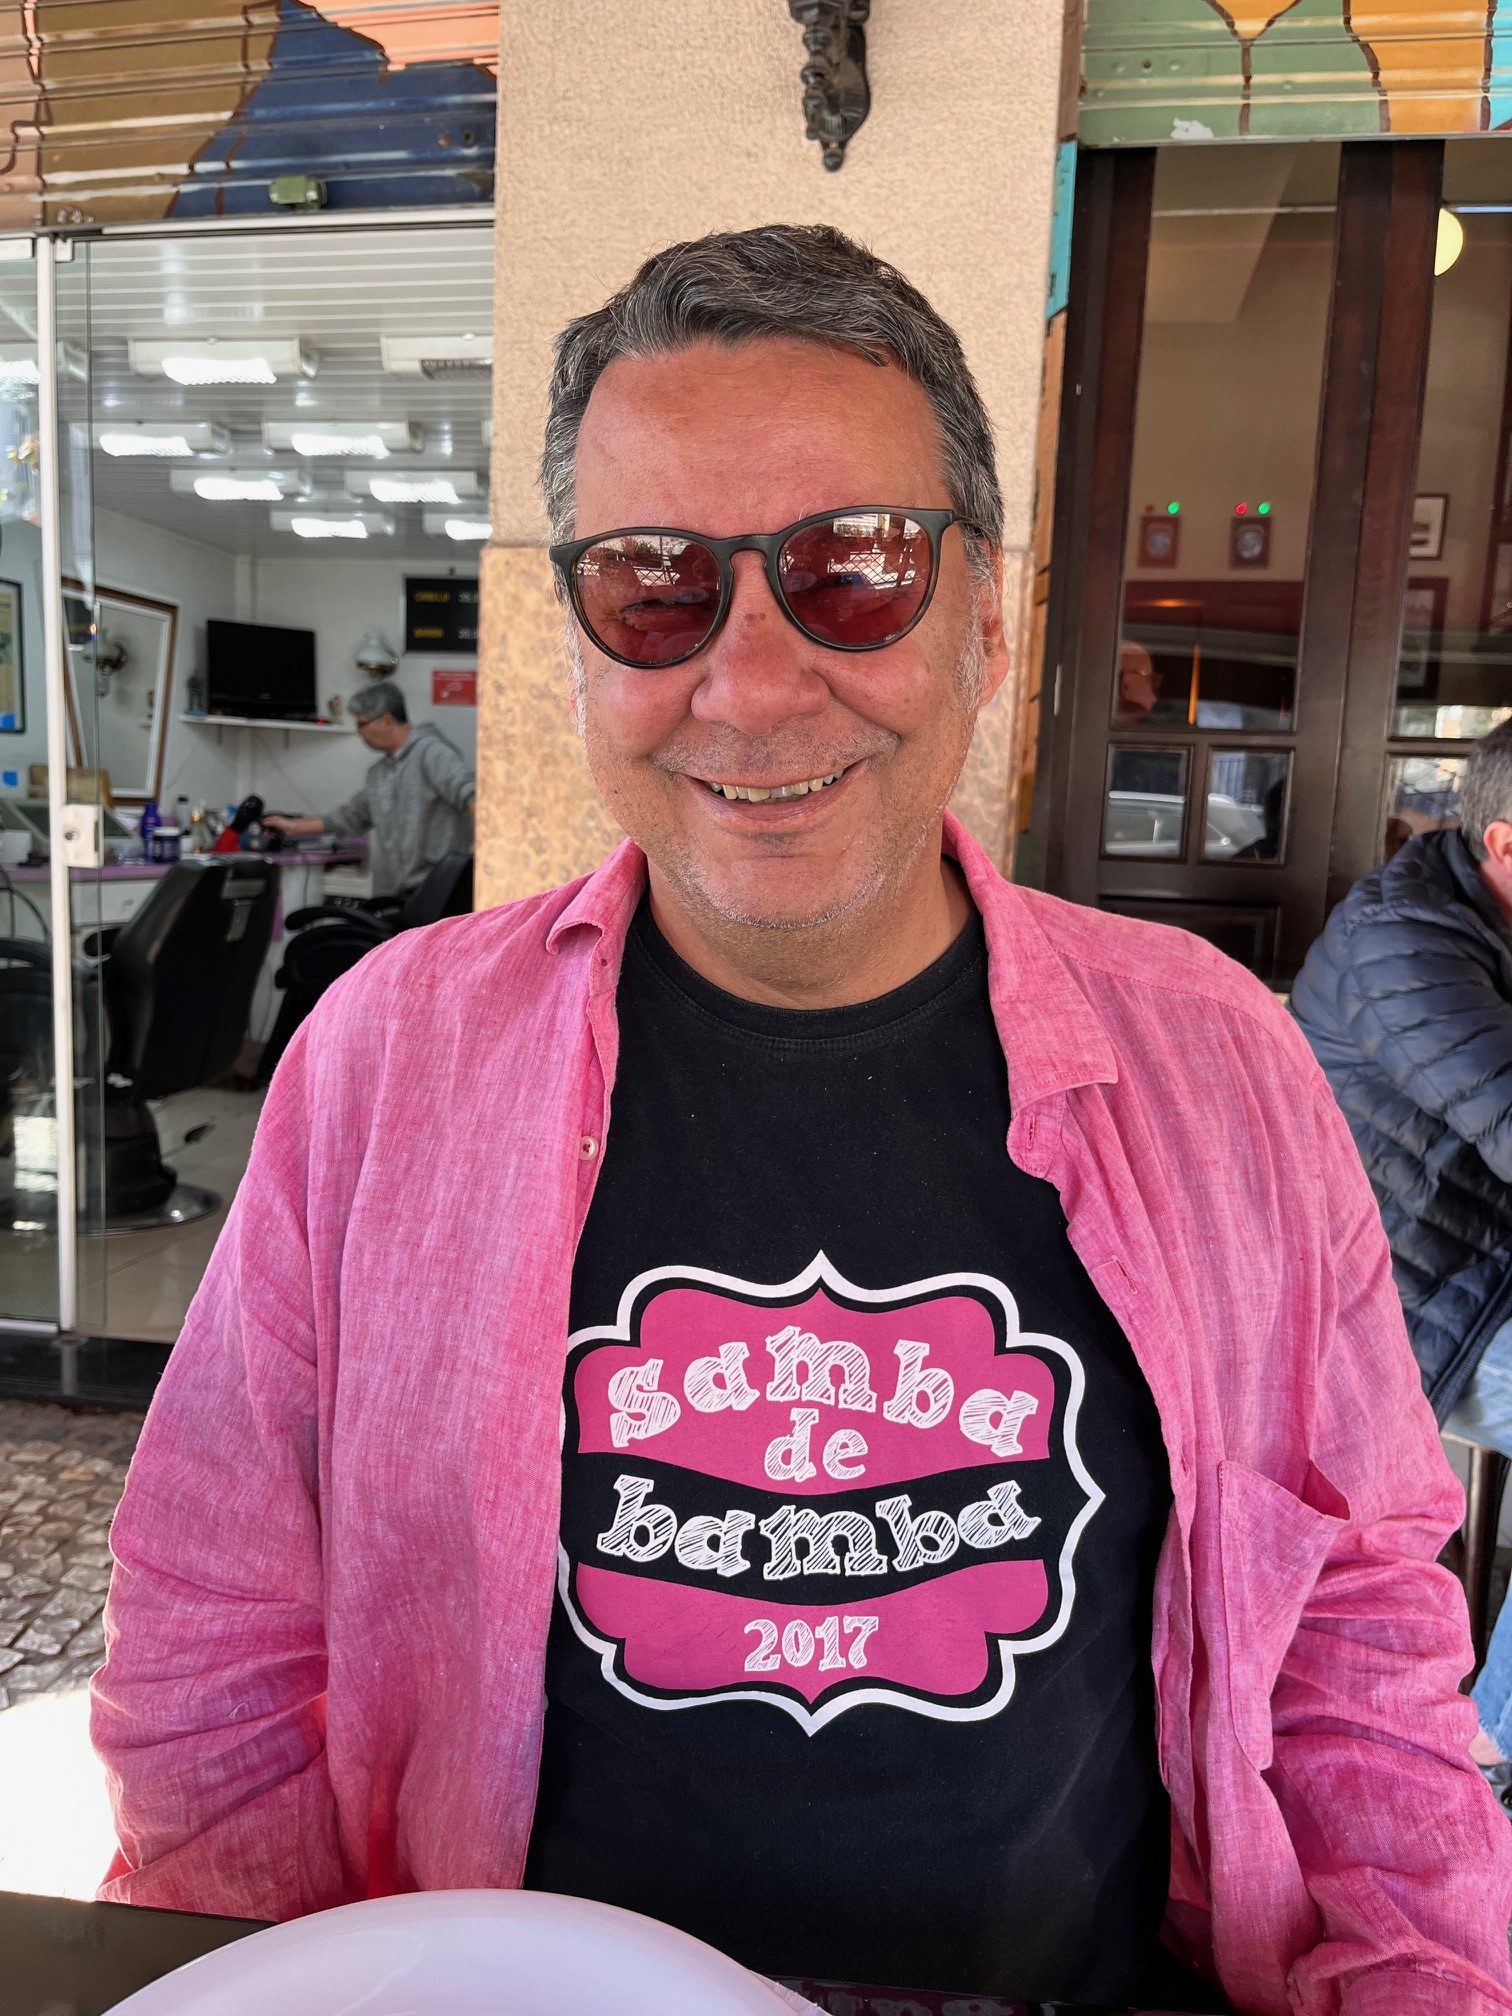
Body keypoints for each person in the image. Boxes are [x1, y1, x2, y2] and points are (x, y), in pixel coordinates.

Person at [92, 226, 1512, 2014]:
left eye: (854, 571)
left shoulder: (1218, 1064)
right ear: (580, 649)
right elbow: (215, 1632)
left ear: (985, 615)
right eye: (653, 587)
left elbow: (1356, 1622)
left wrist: (1418, 1976)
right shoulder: (386, 1061)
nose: (752, 686)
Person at [1292, 721, 1512, 1796]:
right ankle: (1493, 1749)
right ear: (1507, 844)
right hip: (1410, 1307)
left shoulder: (1490, 917)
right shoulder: (1404, 947)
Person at [262, 677, 475, 894]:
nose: (359, 732)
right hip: (410, 891)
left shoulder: (433, 754)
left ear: (387, 720)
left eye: (362, 724)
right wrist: (293, 827)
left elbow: (473, 796)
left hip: (447, 888)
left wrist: (485, 847)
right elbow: (350, 816)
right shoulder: (379, 774)